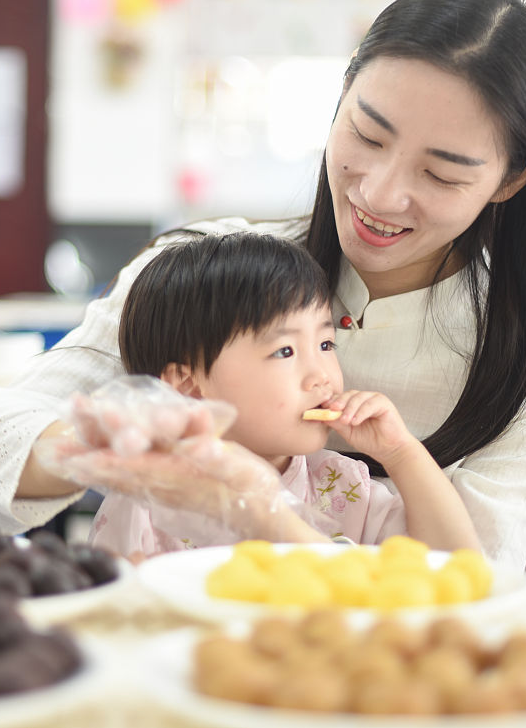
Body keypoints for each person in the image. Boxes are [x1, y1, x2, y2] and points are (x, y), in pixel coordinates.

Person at [0, 0, 526, 575]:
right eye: (367, 135)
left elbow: (465, 584)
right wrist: (113, 450)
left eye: (441, 175)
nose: (380, 191)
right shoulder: (211, 268)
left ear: (513, 177)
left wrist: (268, 512)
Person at [69, 232, 480, 558]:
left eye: (325, 344)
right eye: (285, 350)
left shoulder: (341, 486)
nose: (321, 375)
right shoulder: (151, 501)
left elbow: (453, 571)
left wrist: (401, 453)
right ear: (190, 385)